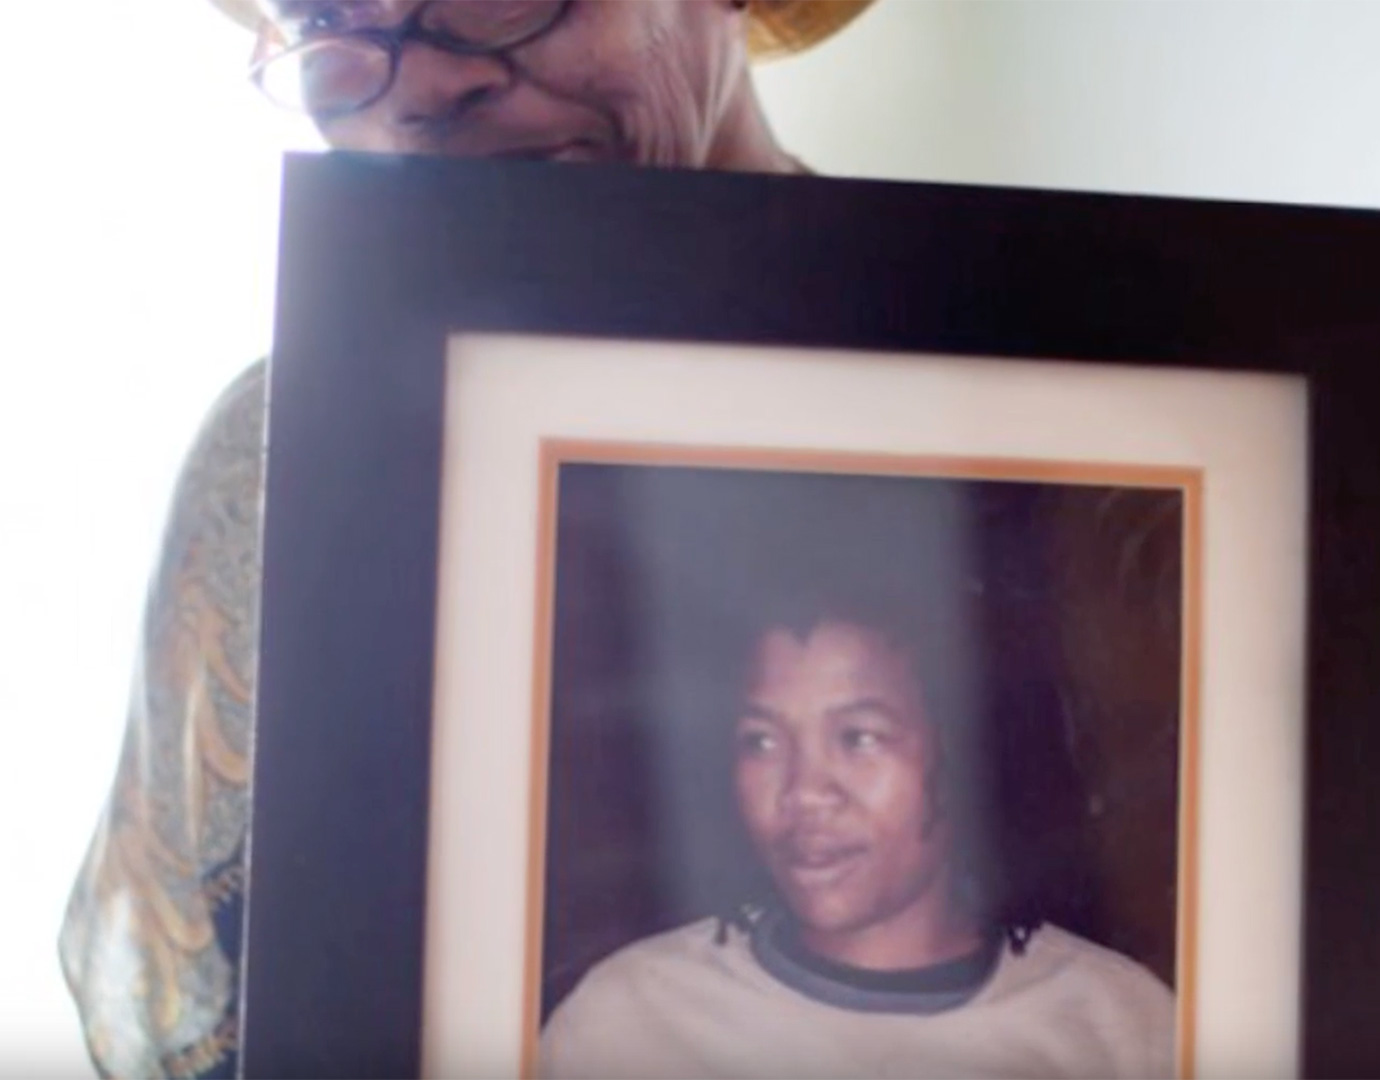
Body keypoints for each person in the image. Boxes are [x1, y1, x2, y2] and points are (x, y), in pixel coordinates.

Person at [57, 3, 873, 1077]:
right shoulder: (275, 454)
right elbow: (164, 1003)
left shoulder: (1061, 395)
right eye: (328, 19)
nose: (420, 88)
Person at [538, 576, 1176, 1079]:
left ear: (971, 754)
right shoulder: (629, 1019)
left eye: (859, 737)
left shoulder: (1121, 1024)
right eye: (761, 742)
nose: (804, 792)